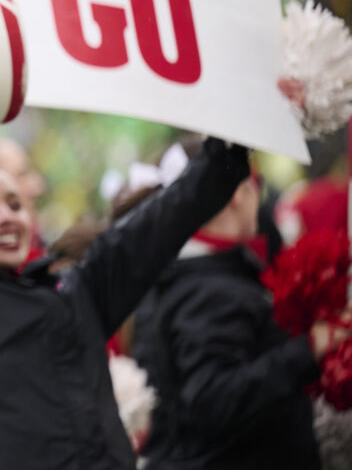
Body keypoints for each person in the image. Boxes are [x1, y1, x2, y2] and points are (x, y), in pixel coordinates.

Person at [0, 130, 252, 469]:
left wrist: (229, 149)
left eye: (14, 204)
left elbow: (164, 221)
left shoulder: (77, 291)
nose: (5, 217)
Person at [132, 156, 350, 469]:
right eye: (254, 186)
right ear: (237, 193)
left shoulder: (195, 275)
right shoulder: (207, 290)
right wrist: (309, 348)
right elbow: (215, 399)